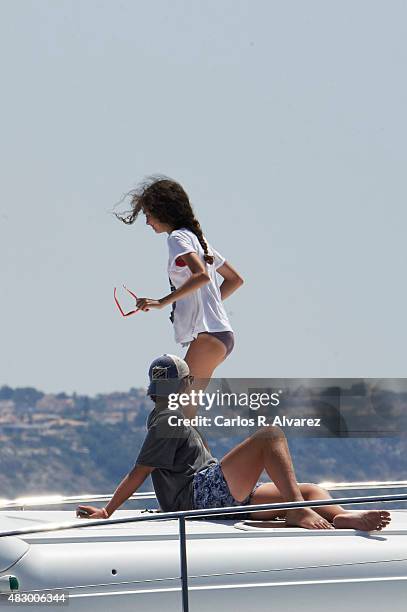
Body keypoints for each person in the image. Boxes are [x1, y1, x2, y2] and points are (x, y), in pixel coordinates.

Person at [76, 354, 391, 532]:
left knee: (308, 490)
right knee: (270, 435)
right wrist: (108, 511)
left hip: (215, 495)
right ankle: (297, 512)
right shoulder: (165, 420)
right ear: (185, 383)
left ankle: (339, 516)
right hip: (203, 498)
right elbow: (139, 472)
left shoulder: (169, 416)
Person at [114, 175, 242, 415]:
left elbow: (201, 275)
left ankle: (196, 454)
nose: (148, 222)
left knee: (178, 412)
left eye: (148, 214)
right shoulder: (198, 239)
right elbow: (235, 279)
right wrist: (205, 306)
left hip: (209, 336)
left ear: (162, 211)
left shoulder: (177, 238)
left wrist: (162, 302)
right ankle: (199, 453)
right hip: (219, 335)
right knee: (185, 413)